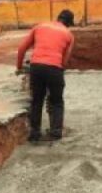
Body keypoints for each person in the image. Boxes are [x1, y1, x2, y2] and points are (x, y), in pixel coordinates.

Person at [16, 10, 76, 142]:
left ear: (58, 18)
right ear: (68, 23)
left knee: (37, 100)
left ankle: (35, 133)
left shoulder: (40, 26)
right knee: (57, 101)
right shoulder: (69, 35)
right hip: (55, 69)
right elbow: (64, 62)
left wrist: (19, 67)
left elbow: (21, 48)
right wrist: (57, 72)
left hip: (36, 67)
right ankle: (55, 133)